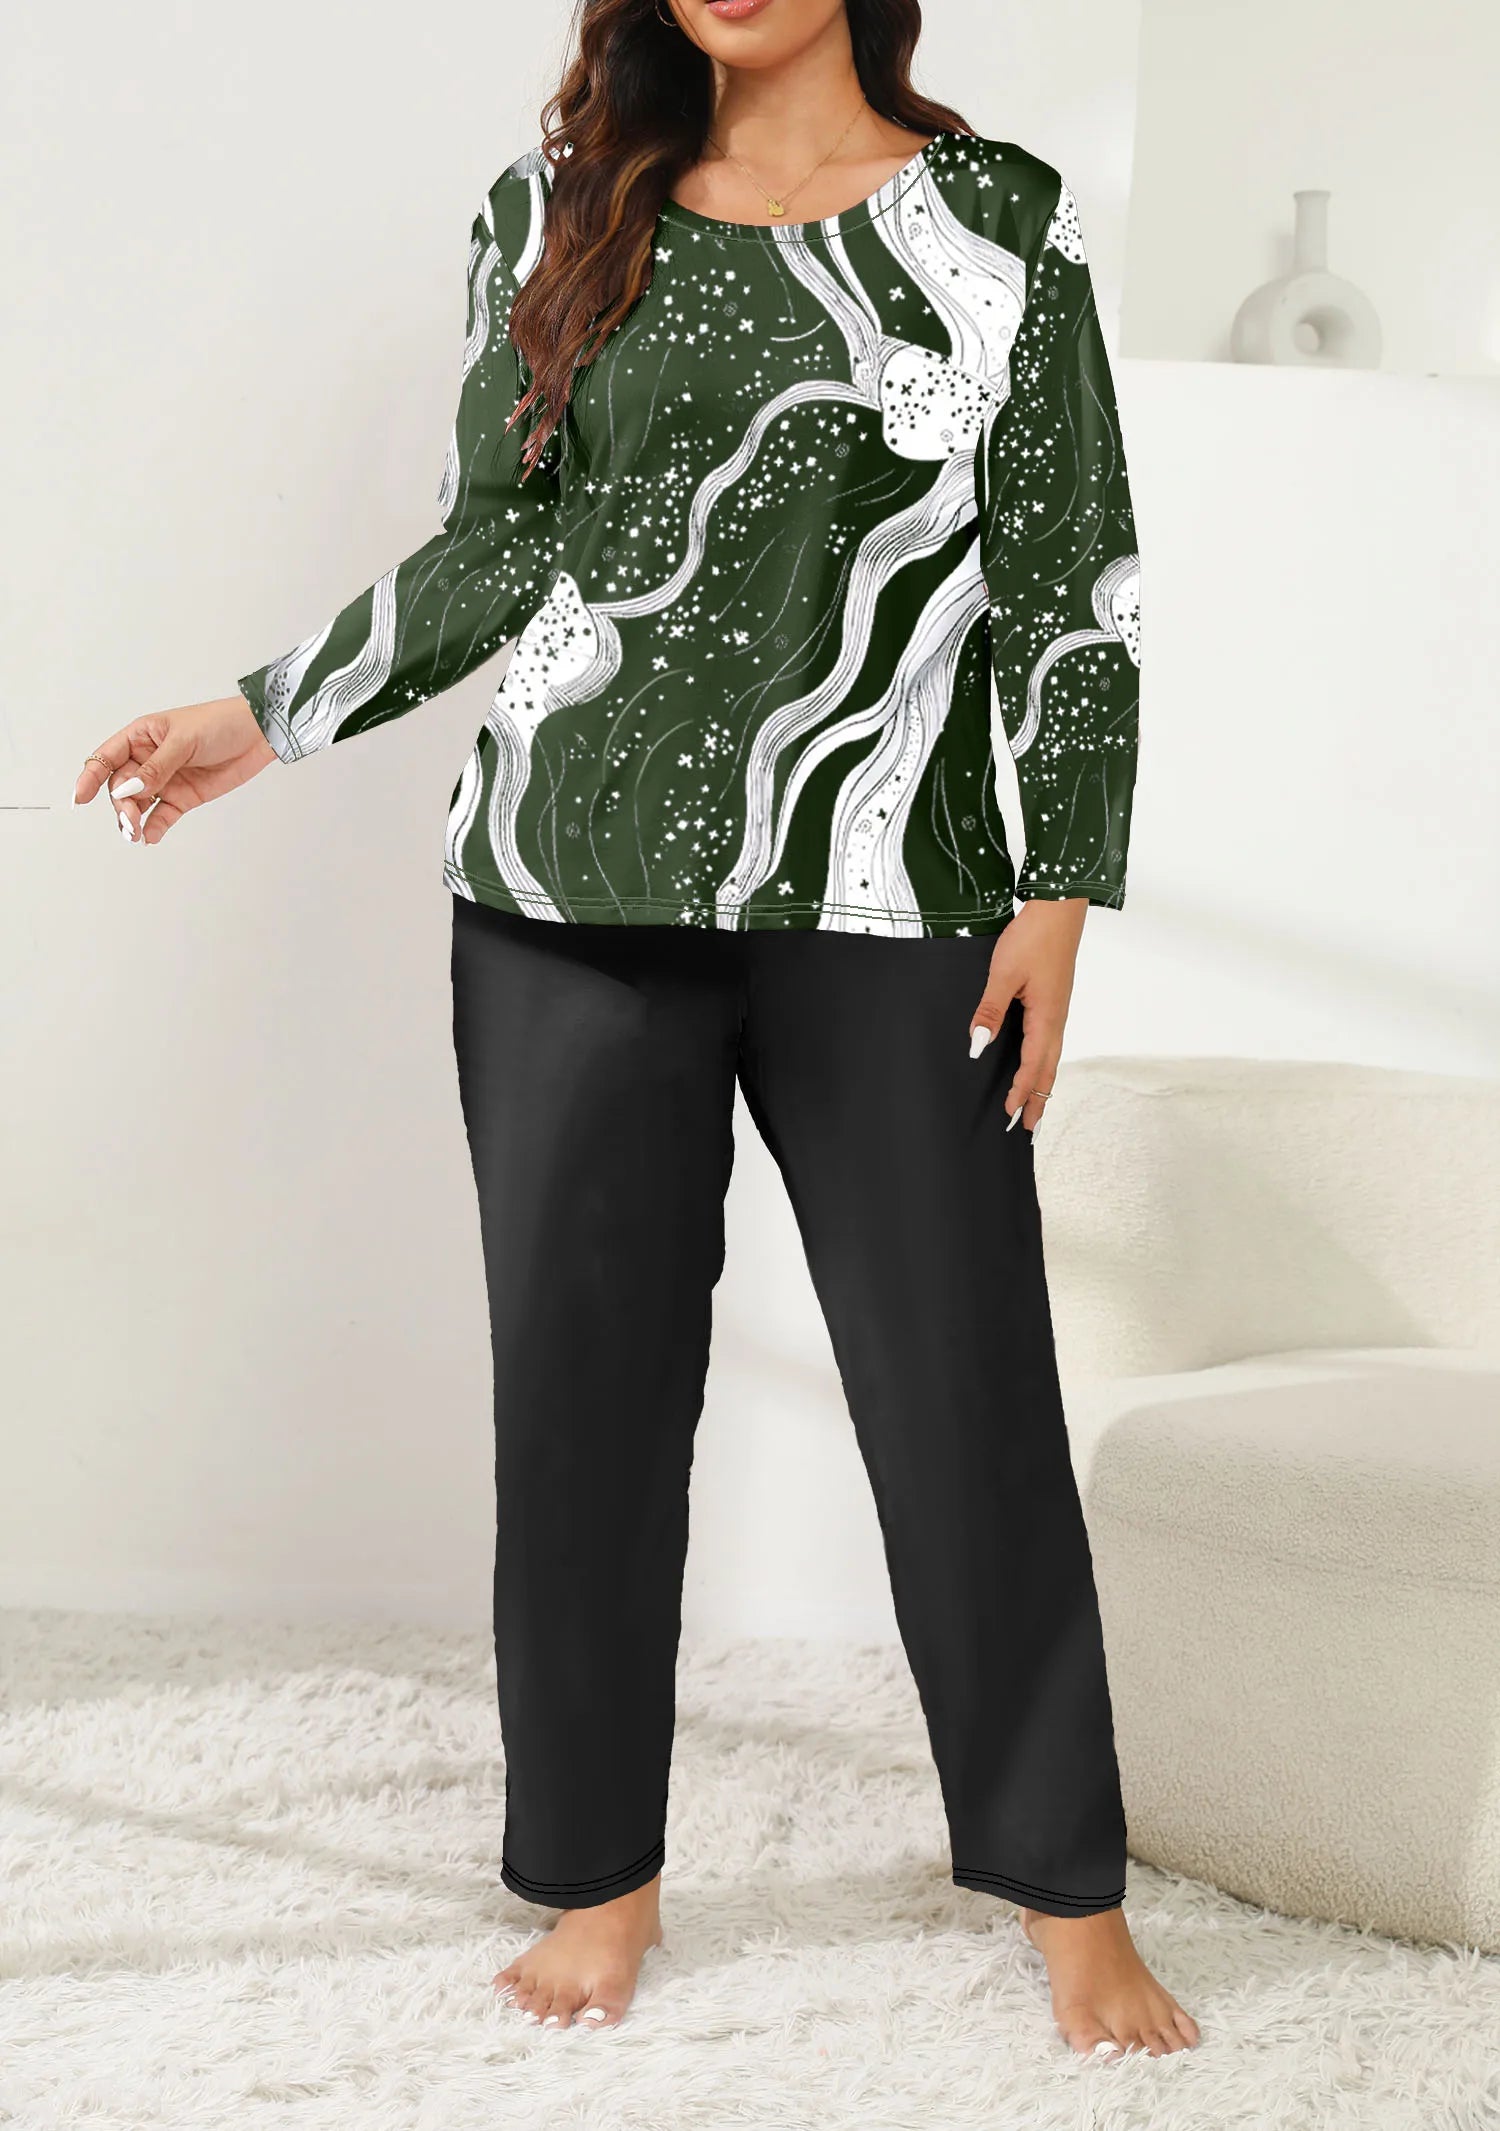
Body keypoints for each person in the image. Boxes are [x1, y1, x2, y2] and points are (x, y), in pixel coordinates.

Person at [72, 0, 1198, 2061]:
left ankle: (1070, 1890)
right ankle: (602, 1880)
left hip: (894, 896)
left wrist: (1061, 889)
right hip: (560, 897)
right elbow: (496, 542)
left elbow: (1069, 576)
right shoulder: (558, 208)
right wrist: (263, 714)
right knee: (582, 1411)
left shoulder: (996, 224)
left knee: (964, 1397)